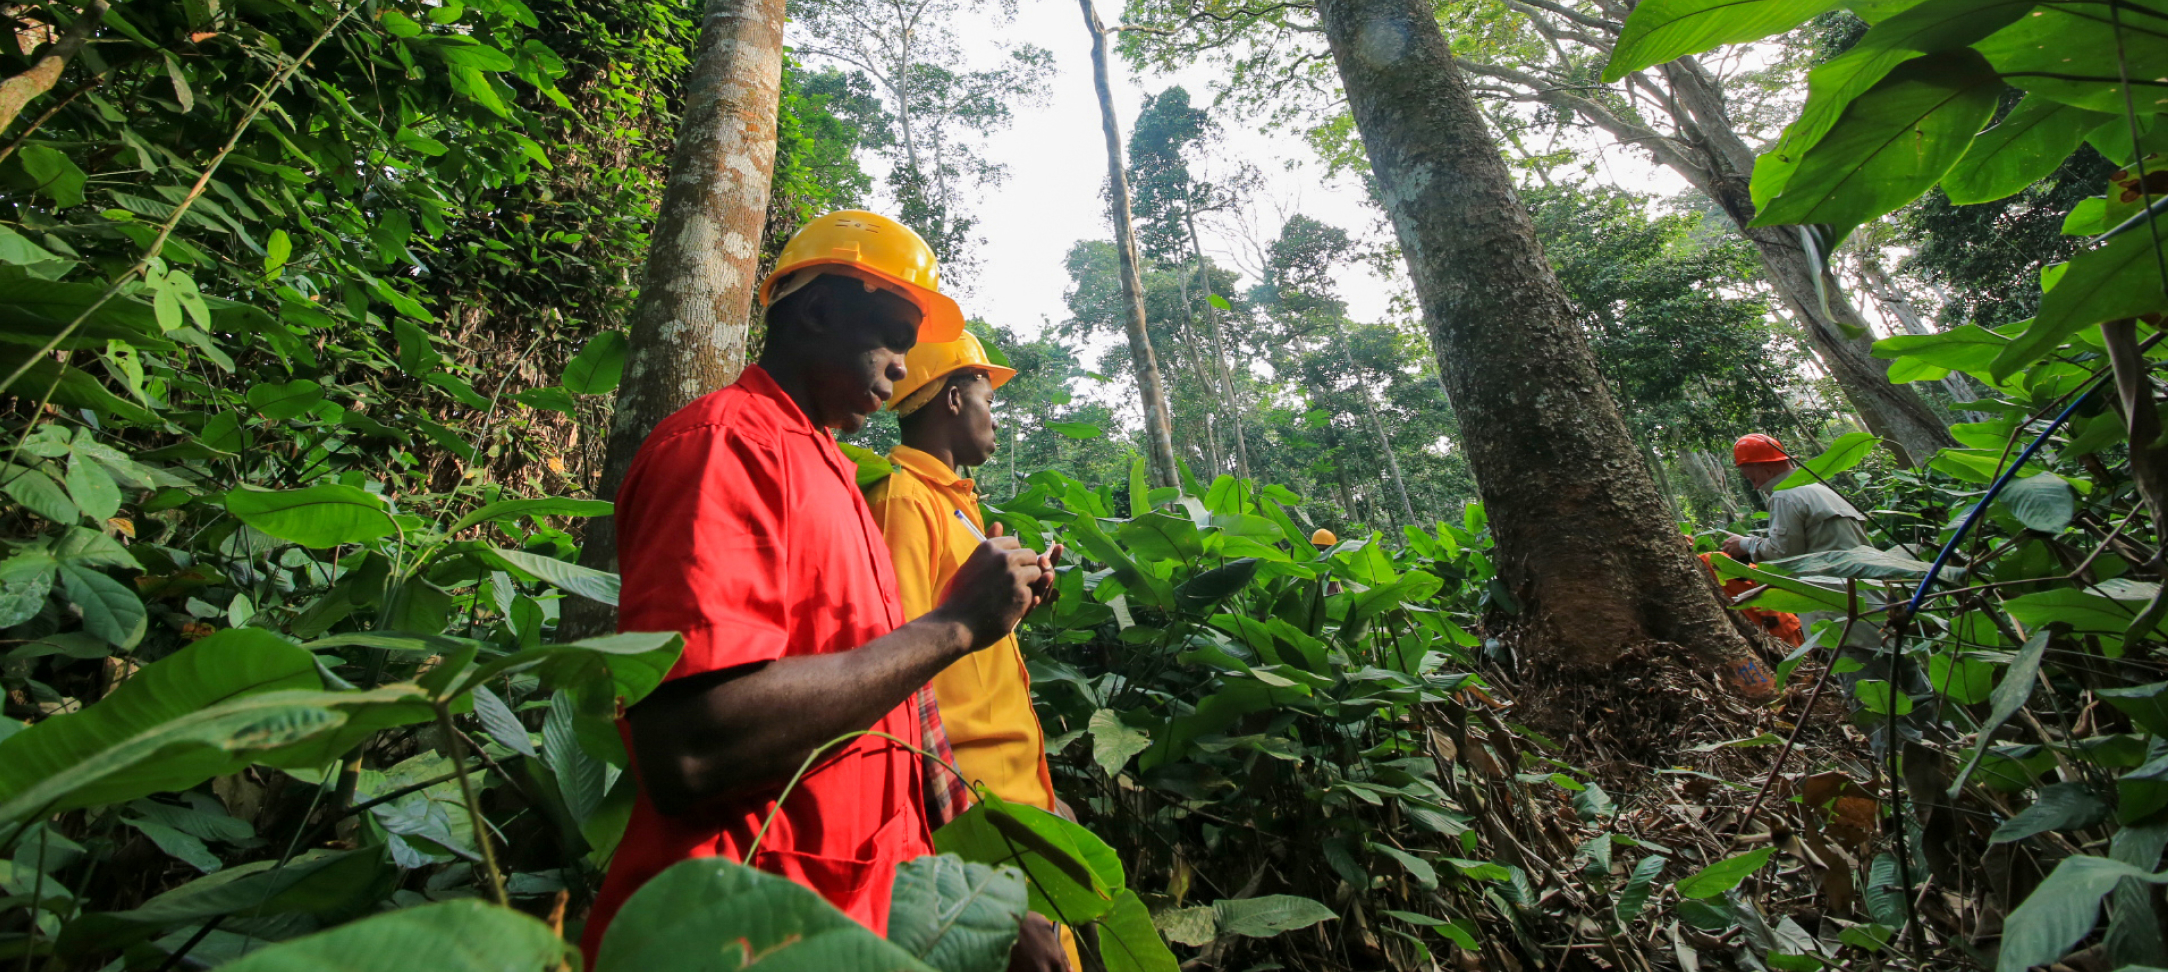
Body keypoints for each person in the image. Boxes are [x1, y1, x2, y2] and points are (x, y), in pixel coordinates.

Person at [580, 210, 1064, 971]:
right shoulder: (725, 445)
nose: (905, 365)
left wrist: (969, 894)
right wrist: (954, 628)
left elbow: (893, 706)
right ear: (818, 310)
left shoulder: (834, 471)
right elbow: (691, 751)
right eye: (895, 335)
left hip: (854, 915)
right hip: (744, 931)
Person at [864, 330, 1078, 970]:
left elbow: (960, 640)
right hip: (969, 822)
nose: (996, 418)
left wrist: (1021, 596)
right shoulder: (905, 500)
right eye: (990, 398)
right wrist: (984, 898)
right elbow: (894, 678)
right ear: (954, 400)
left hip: (1020, 804)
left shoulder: (958, 510)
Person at [1718, 433, 1870, 564]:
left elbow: (1783, 554)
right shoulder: (1820, 489)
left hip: (1837, 590)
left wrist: (1745, 544)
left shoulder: (1784, 496)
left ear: (1767, 469)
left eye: (1753, 479)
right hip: (1872, 587)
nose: (1756, 487)